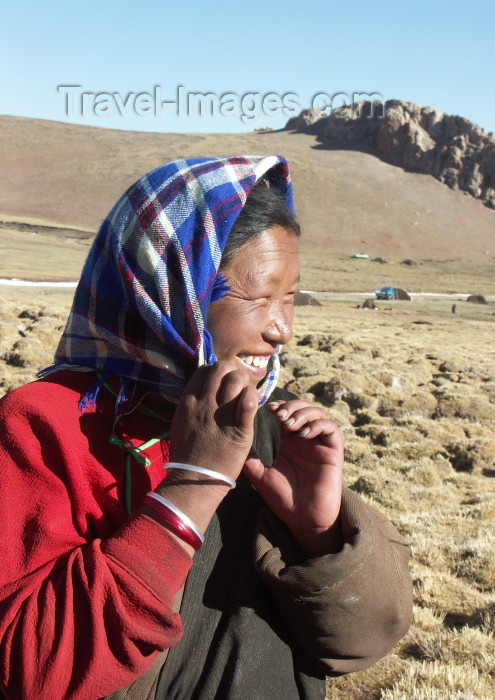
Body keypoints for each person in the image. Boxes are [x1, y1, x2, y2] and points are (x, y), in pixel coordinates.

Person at [0, 155, 412, 700]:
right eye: (257, 297)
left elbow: (363, 645)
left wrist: (324, 534)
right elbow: (31, 668)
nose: (282, 329)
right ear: (170, 288)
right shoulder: (46, 424)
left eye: (288, 298)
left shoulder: (272, 424)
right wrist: (191, 485)